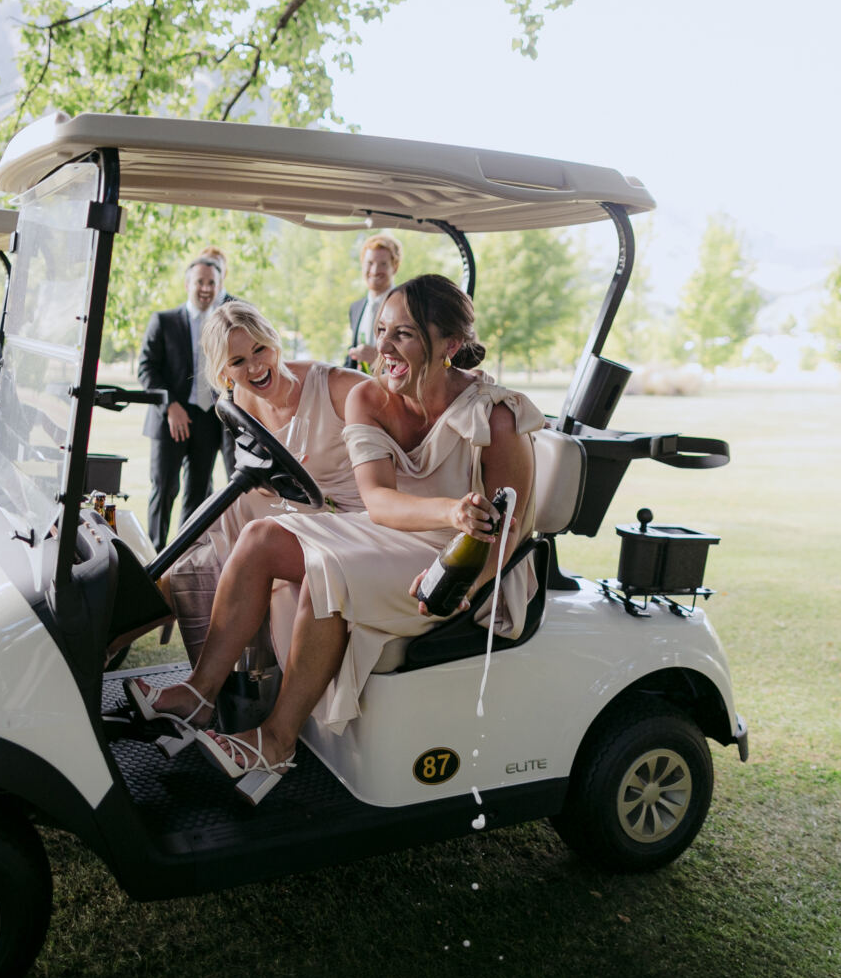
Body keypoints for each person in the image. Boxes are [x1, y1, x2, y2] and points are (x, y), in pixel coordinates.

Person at [128, 274, 541, 805]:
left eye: (404, 335)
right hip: (390, 530)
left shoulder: (497, 416)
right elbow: (377, 502)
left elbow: (507, 533)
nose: (384, 347)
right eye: (383, 330)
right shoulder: (372, 398)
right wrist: (449, 508)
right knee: (258, 537)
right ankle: (198, 694)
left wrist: (468, 575)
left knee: (326, 572)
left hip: (463, 565)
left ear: (451, 346)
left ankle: (275, 742)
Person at [138, 300, 368, 670]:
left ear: (274, 343)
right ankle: (112, 636)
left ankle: (216, 678)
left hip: (347, 516)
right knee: (191, 551)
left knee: (217, 536)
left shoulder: (337, 386)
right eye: (238, 361)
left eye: (259, 349)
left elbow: (402, 413)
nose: (256, 366)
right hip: (293, 504)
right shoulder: (242, 397)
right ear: (224, 371)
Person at [138, 247, 238, 551]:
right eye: (200, 282)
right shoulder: (164, 321)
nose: (205, 288)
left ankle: (181, 558)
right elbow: (146, 368)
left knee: (198, 494)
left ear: (220, 287)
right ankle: (152, 555)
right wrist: (171, 405)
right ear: (187, 284)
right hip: (170, 420)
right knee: (164, 488)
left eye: (212, 283)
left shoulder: (226, 326)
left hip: (209, 419)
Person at [344, 232, 402, 371]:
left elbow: (416, 361)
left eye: (383, 264)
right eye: (370, 263)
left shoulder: (405, 307)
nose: (375, 271)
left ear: (394, 267)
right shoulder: (356, 308)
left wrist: (377, 358)